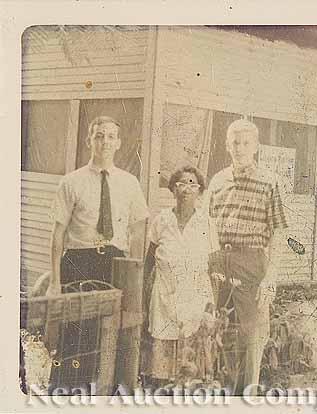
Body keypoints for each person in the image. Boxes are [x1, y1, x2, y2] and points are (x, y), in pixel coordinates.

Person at [206, 119, 287, 394]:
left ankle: (246, 397)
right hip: (218, 264)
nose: (240, 148)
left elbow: (279, 233)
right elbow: (206, 226)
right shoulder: (217, 181)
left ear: (256, 146)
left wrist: (271, 277)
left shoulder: (268, 181)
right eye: (235, 143)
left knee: (251, 336)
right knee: (217, 332)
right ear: (228, 146)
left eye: (246, 143)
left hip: (252, 265)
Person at [46, 115, 149, 294]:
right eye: (99, 136)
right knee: (74, 321)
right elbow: (58, 233)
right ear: (89, 141)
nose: (105, 142)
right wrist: (54, 282)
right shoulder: (71, 182)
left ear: (118, 143)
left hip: (114, 262)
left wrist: (133, 280)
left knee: (110, 320)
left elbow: (137, 233)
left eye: (111, 137)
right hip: (78, 261)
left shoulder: (130, 183)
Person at [142, 166, 216, 385]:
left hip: (195, 298)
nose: (186, 189)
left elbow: (214, 266)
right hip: (164, 296)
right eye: (181, 184)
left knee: (192, 367)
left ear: (200, 191)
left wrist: (212, 304)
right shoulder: (161, 221)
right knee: (162, 368)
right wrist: (144, 298)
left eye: (192, 184)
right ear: (173, 190)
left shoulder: (207, 223)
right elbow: (149, 262)